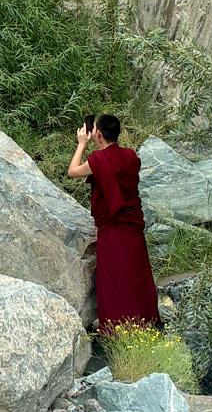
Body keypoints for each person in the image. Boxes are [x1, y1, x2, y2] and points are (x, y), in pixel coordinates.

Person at [68, 113, 160, 332]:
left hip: (112, 228)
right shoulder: (130, 156)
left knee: (114, 278)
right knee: (137, 273)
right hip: (133, 227)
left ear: (98, 134)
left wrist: (81, 144)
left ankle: (117, 328)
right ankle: (146, 322)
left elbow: (72, 171)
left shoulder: (97, 161)